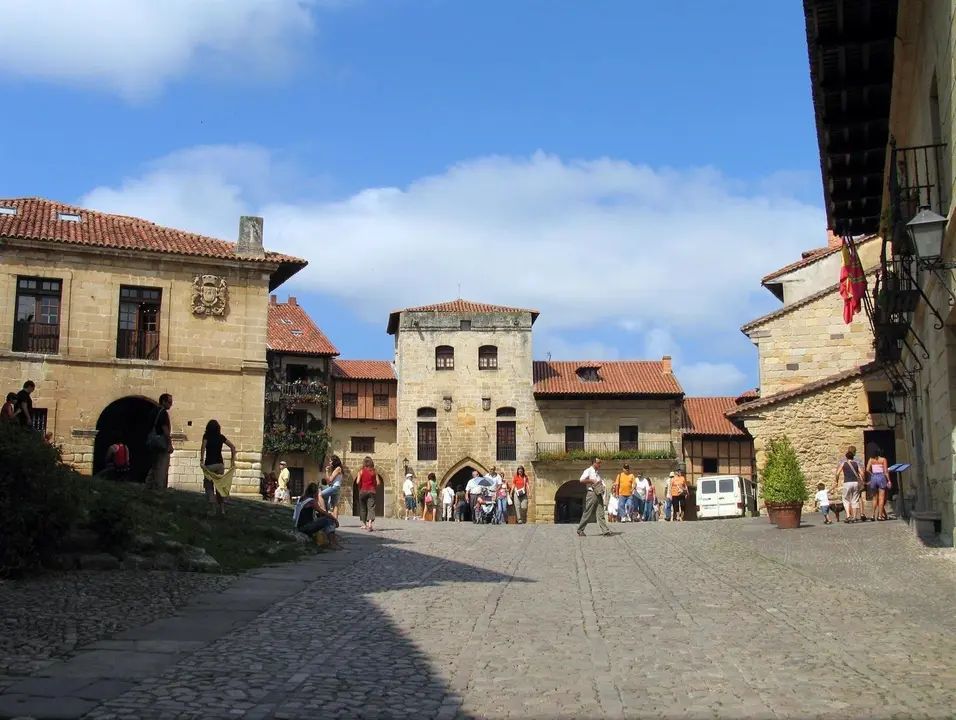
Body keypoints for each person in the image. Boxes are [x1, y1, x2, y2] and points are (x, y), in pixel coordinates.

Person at [200, 419, 236, 517]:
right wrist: (232, 461)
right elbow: (233, 447)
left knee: (209, 487)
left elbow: (203, 447)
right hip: (220, 465)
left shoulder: (206, 436)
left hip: (209, 465)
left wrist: (201, 460)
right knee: (220, 487)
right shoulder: (221, 437)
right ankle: (223, 510)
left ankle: (213, 510)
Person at [294, 483, 342, 549]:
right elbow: (322, 511)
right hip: (305, 527)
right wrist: (335, 519)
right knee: (328, 519)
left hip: (299, 526)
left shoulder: (301, 499)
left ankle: (333, 542)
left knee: (324, 519)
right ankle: (332, 543)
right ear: (316, 492)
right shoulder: (311, 501)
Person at [576, 458, 611, 537]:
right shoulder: (588, 471)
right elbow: (581, 480)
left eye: (600, 463)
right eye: (599, 463)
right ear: (594, 463)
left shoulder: (597, 473)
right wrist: (592, 481)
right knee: (588, 511)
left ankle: (605, 531)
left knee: (601, 512)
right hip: (592, 494)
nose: (600, 464)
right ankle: (580, 529)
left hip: (598, 494)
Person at [145, 393, 173, 490]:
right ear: (163, 401)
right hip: (160, 442)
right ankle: (158, 488)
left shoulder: (153, 411)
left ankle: (149, 485)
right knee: (161, 466)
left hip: (152, 441)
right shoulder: (163, 413)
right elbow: (165, 429)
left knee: (153, 464)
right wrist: (169, 444)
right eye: (169, 402)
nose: (171, 404)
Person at [836, 447, 863, 524]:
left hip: (847, 483)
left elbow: (837, 473)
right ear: (853, 457)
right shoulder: (856, 464)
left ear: (846, 457)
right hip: (855, 483)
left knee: (846, 499)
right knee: (855, 500)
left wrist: (836, 481)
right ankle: (854, 517)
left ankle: (848, 516)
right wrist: (862, 481)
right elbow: (862, 473)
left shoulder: (843, 463)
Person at [865, 443, 892, 521]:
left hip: (874, 477)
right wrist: (889, 480)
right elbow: (886, 471)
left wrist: (872, 474)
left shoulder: (871, 459)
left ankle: (872, 515)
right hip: (881, 477)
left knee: (874, 498)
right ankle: (880, 516)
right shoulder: (883, 459)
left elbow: (867, 469)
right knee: (881, 498)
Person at [355, 456, 381, 531]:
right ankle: (370, 524)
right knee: (371, 508)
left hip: (362, 491)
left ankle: (364, 525)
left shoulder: (361, 471)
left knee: (363, 508)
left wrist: (361, 485)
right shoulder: (374, 471)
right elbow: (378, 482)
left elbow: (357, 482)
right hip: (372, 491)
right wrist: (374, 486)